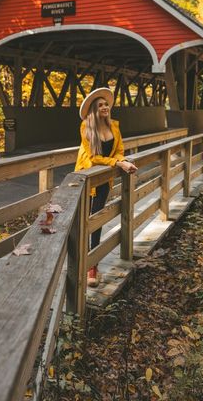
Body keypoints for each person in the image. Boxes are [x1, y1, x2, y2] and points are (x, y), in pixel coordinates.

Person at [75, 87, 138, 287]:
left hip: (104, 180)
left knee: (97, 219)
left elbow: (119, 151)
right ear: (94, 109)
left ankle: (92, 265)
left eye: (106, 105)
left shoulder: (115, 127)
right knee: (84, 219)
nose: (105, 107)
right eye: (100, 105)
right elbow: (93, 158)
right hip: (86, 177)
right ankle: (82, 261)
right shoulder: (86, 128)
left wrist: (122, 160)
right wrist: (118, 164)